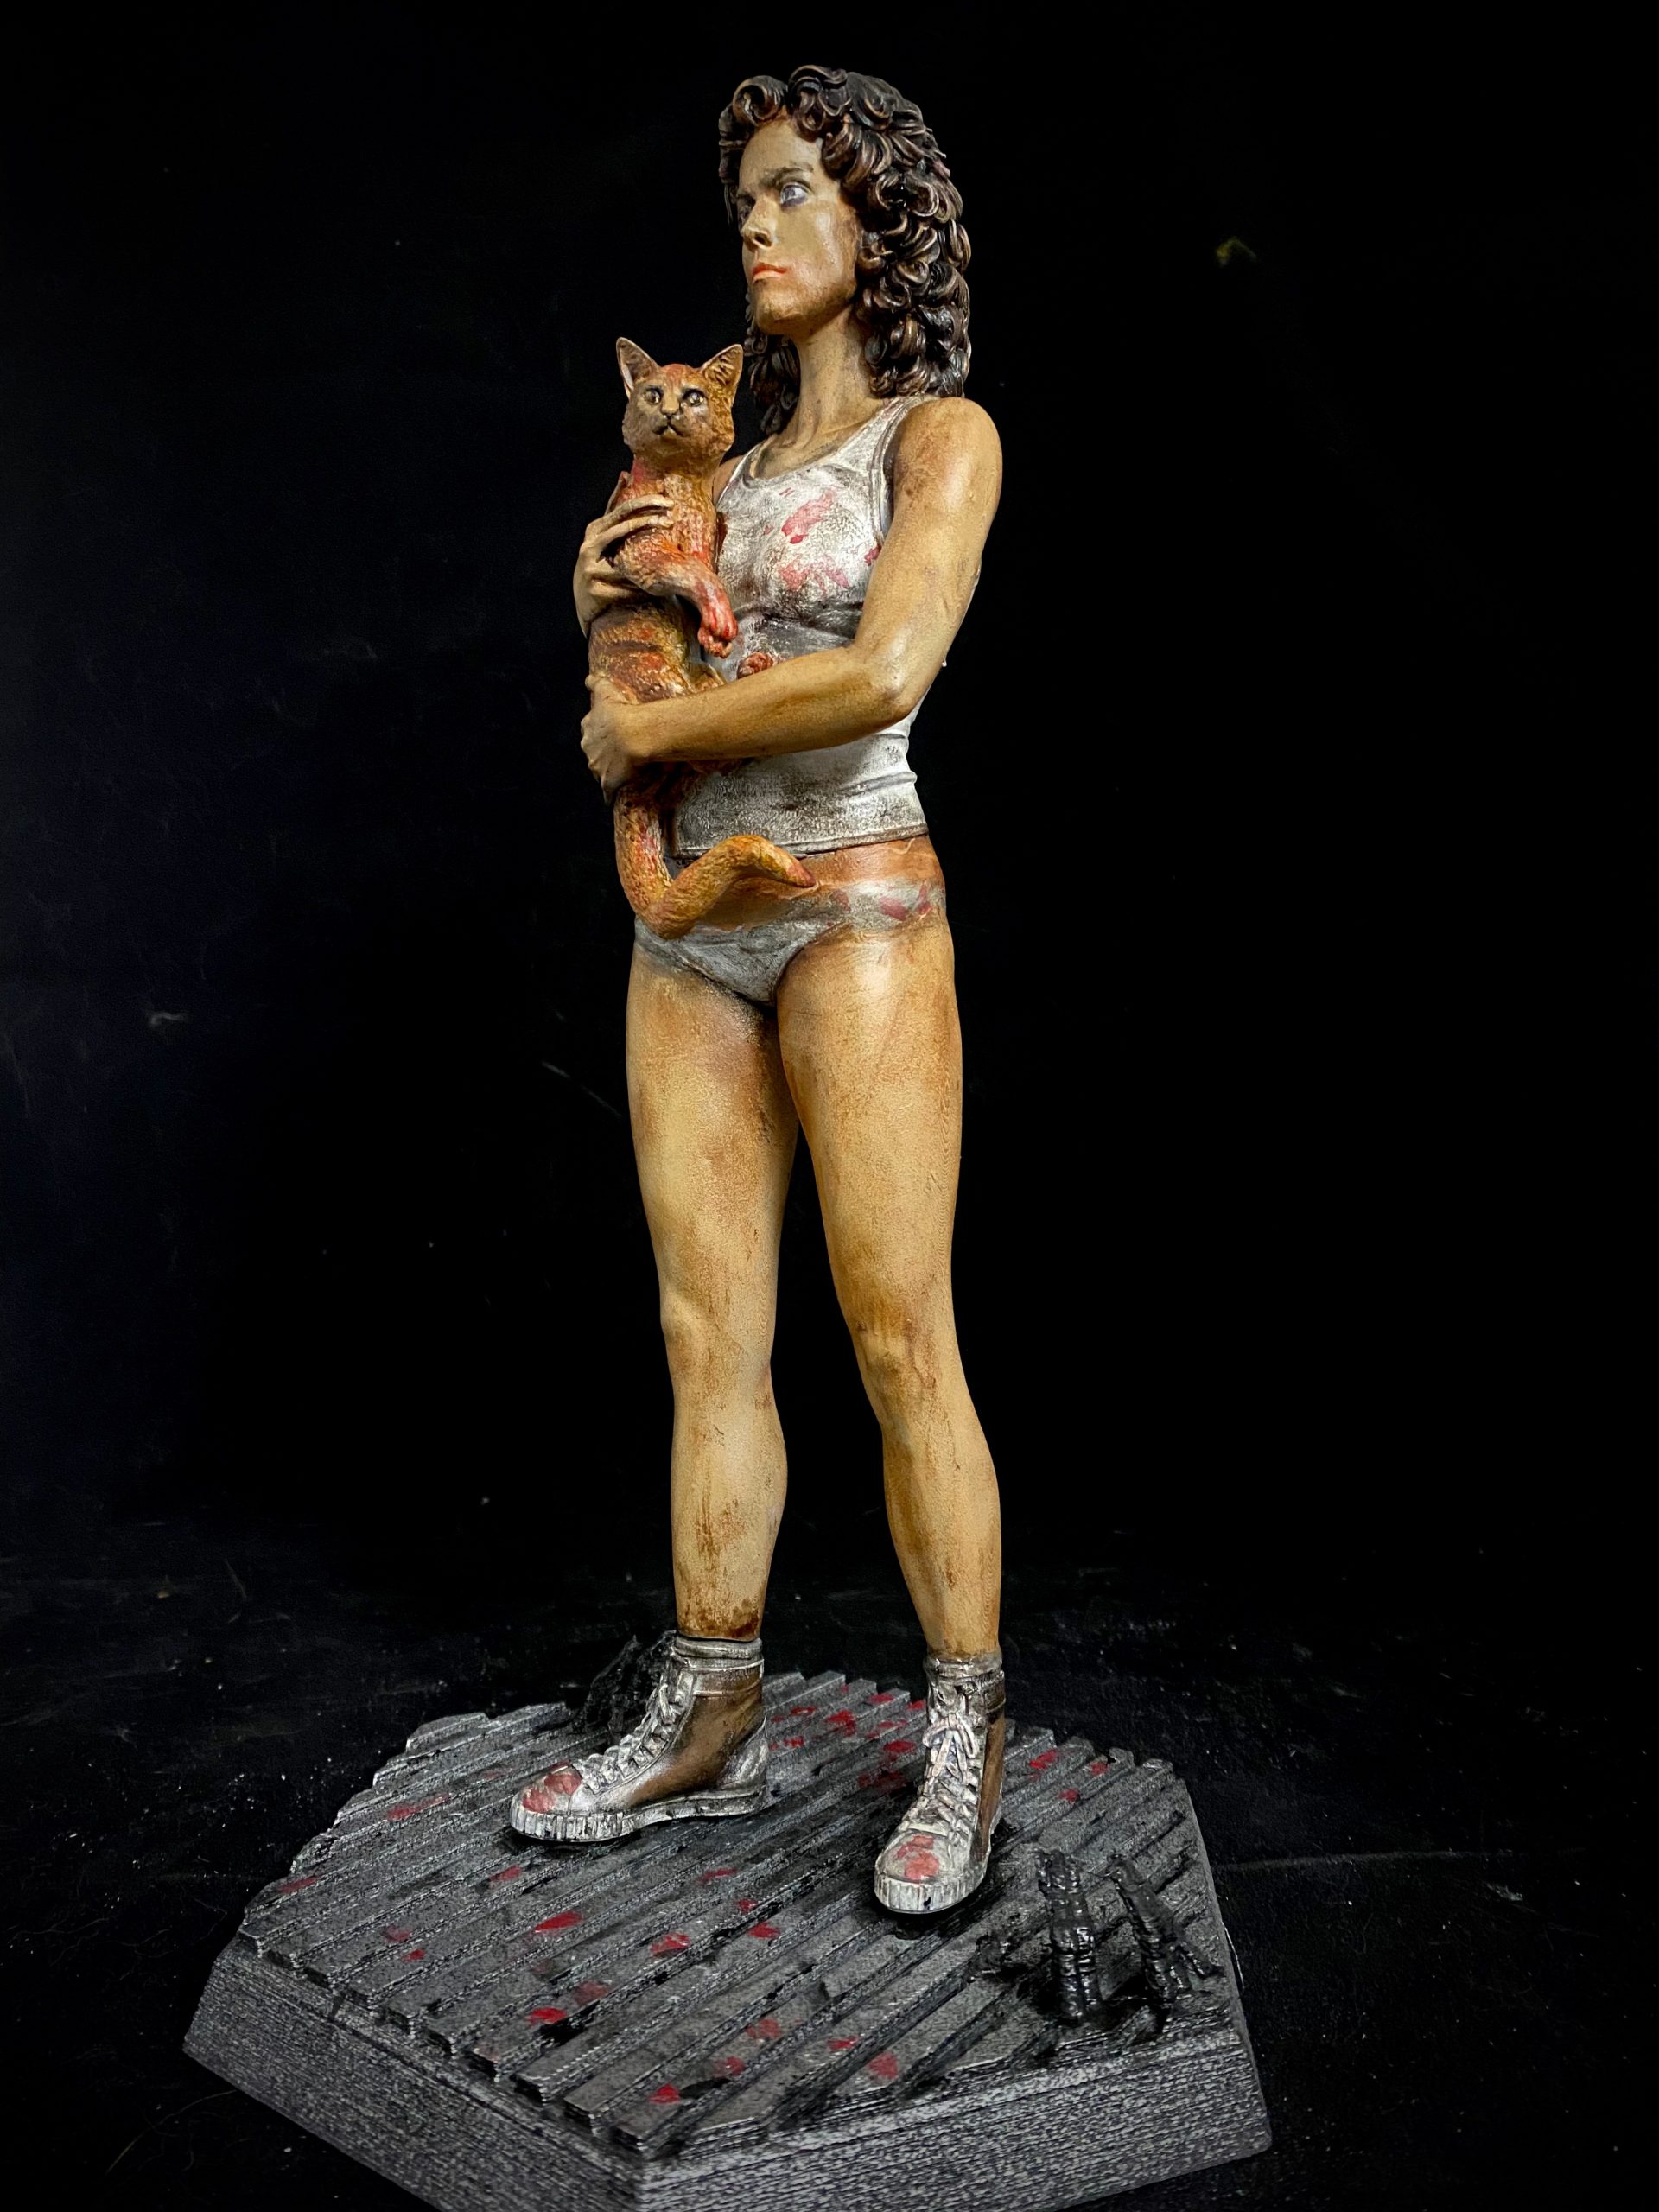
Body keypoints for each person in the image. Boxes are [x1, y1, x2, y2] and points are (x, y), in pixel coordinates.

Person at [512, 64, 1005, 1915]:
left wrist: (647, 731)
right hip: (689, 930)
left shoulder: (940, 441)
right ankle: (715, 1704)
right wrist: (600, 605)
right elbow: (643, 630)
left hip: (853, 902)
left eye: (798, 189)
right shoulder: (718, 457)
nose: (758, 220)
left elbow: (884, 674)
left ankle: (964, 1731)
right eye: (749, 196)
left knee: (896, 1335)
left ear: (886, 220)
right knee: (704, 1330)